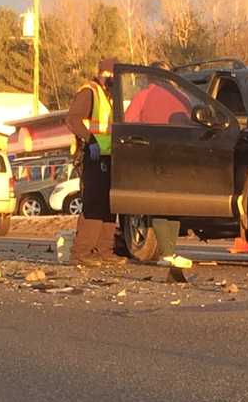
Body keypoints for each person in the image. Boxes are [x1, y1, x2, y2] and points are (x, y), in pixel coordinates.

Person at [122, 62, 193, 269]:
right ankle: (169, 251)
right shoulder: (183, 96)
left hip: (152, 155)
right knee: (172, 205)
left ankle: (167, 252)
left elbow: (128, 123)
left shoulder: (143, 96)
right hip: (179, 155)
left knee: (159, 205)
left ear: (149, 77)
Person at [64, 58, 124, 266]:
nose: (113, 80)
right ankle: (81, 252)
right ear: (103, 74)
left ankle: (103, 251)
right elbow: (73, 119)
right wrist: (91, 141)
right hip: (93, 156)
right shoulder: (89, 92)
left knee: (109, 205)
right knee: (94, 204)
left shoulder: (110, 96)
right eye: (111, 75)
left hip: (109, 156)